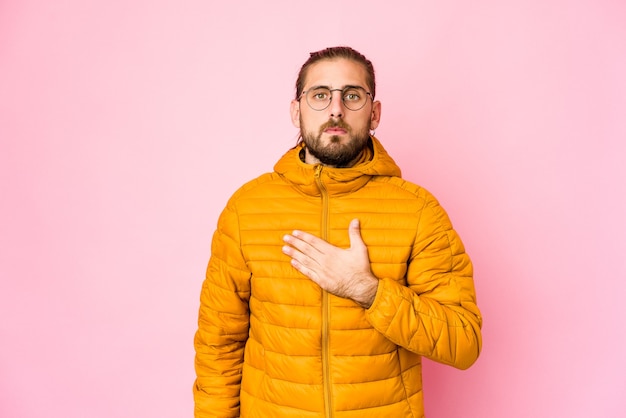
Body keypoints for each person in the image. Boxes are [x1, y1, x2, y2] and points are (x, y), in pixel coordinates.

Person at [193, 46, 482, 418]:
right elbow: (219, 344)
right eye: (320, 95)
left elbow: (463, 341)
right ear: (296, 111)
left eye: (352, 95)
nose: (335, 109)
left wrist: (369, 291)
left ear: (374, 113)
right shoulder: (246, 208)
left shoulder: (418, 210)